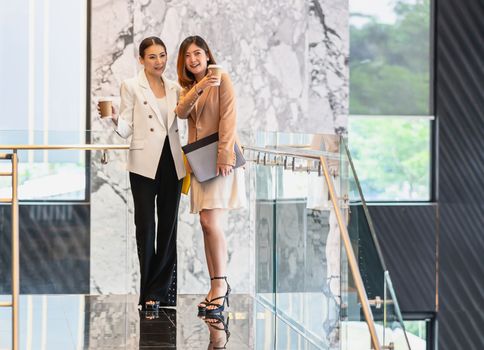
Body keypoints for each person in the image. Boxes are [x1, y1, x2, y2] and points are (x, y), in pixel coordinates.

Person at [99, 36, 186, 311]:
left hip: (172, 162)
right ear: (141, 59)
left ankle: (160, 293)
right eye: (152, 56)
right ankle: (150, 290)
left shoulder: (175, 88)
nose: (158, 61)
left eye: (162, 55)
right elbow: (126, 128)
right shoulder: (131, 86)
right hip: (143, 164)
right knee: (146, 227)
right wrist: (113, 118)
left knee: (168, 229)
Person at [175, 35, 246, 314]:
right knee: (205, 224)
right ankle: (216, 284)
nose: (193, 59)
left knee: (211, 220)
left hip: (220, 160)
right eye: (188, 55)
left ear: (207, 55)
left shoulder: (223, 78)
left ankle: (220, 285)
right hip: (200, 162)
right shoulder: (191, 87)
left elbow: (229, 116)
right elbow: (181, 112)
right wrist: (201, 85)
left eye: (197, 53)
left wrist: (225, 155)